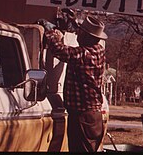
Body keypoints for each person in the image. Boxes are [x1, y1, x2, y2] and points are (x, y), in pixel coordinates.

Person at [39, 15, 108, 152]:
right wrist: (73, 22)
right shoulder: (98, 50)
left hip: (83, 116)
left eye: (80, 31)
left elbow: (60, 50)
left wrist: (52, 32)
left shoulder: (85, 54)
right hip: (90, 116)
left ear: (87, 37)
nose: (77, 33)